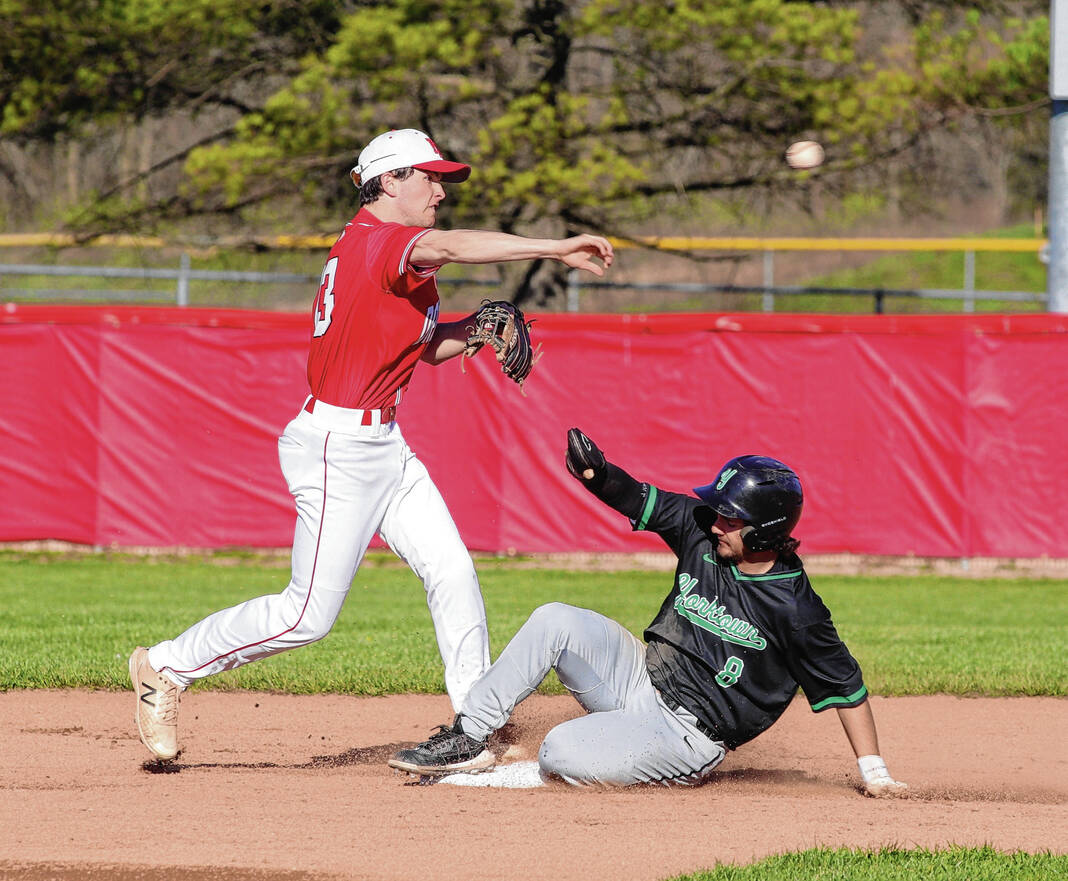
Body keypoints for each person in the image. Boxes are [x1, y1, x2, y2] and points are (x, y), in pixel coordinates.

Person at [129, 129, 614, 761]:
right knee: (307, 616)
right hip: (338, 447)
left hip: (383, 440)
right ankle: (166, 667)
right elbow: (454, 244)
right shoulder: (381, 241)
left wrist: (477, 330)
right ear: (389, 180)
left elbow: (421, 346)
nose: (440, 190)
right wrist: (556, 245)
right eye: (428, 177)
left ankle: (475, 721)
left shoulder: (379, 249)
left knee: (451, 570)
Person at [388, 429, 908, 796]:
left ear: (765, 531)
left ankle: (570, 758)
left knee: (558, 750)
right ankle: (469, 737)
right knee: (555, 618)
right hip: (640, 675)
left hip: (687, 736)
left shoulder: (796, 609)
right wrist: (598, 474)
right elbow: (639, 498)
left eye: (732, 516)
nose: (718, 521)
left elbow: (846, 686)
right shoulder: (702, 531)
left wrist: (875, 771)